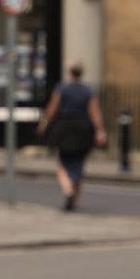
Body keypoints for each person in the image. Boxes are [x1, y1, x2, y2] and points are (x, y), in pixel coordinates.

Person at [38, 63, 107, 210]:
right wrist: (100, 130)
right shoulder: (88, 90)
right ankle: (75, 200)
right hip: (83, 128)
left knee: (63, 163)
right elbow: (94, 112)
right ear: (82, 74)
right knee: (79, 164)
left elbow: (52, 109)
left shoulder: (62, 88)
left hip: (64, 127)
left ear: (70, 73)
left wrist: (44, 124)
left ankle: (68, 189)